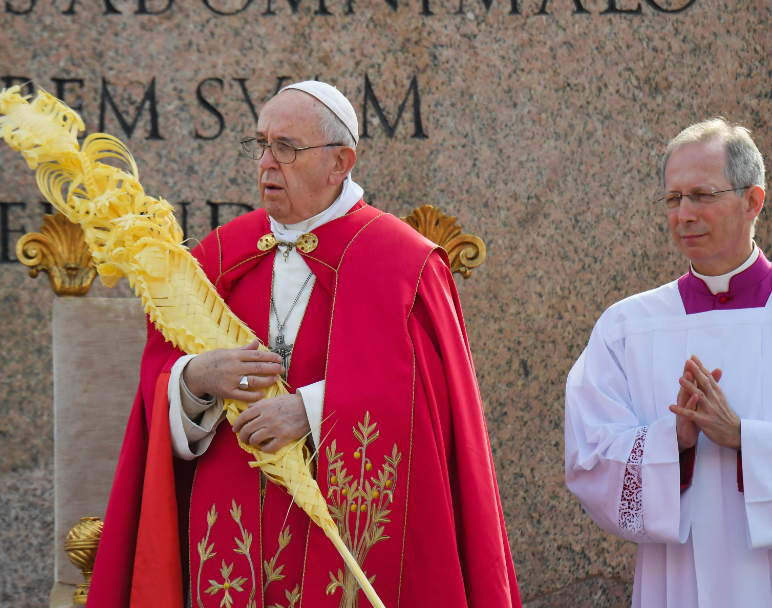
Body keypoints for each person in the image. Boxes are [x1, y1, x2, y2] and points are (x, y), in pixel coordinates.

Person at [88, 82, 521, 607]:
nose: (267, 163)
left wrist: (314, 413)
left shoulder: (403, 265)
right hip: (227, 539)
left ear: (341, 162)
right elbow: (157, 380)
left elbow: (432, 407)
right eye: (260, 145)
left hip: (343, 539)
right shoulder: (219, 255)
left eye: (286, 148)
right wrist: (196, 380)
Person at [565, 118, 772, 607]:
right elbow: (589, 458)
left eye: (702, 195)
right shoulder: (627, 327)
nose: (684, 214)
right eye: (674, 199)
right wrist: (671, 442)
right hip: (677, 583)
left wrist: (743, 437)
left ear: (752, 201)